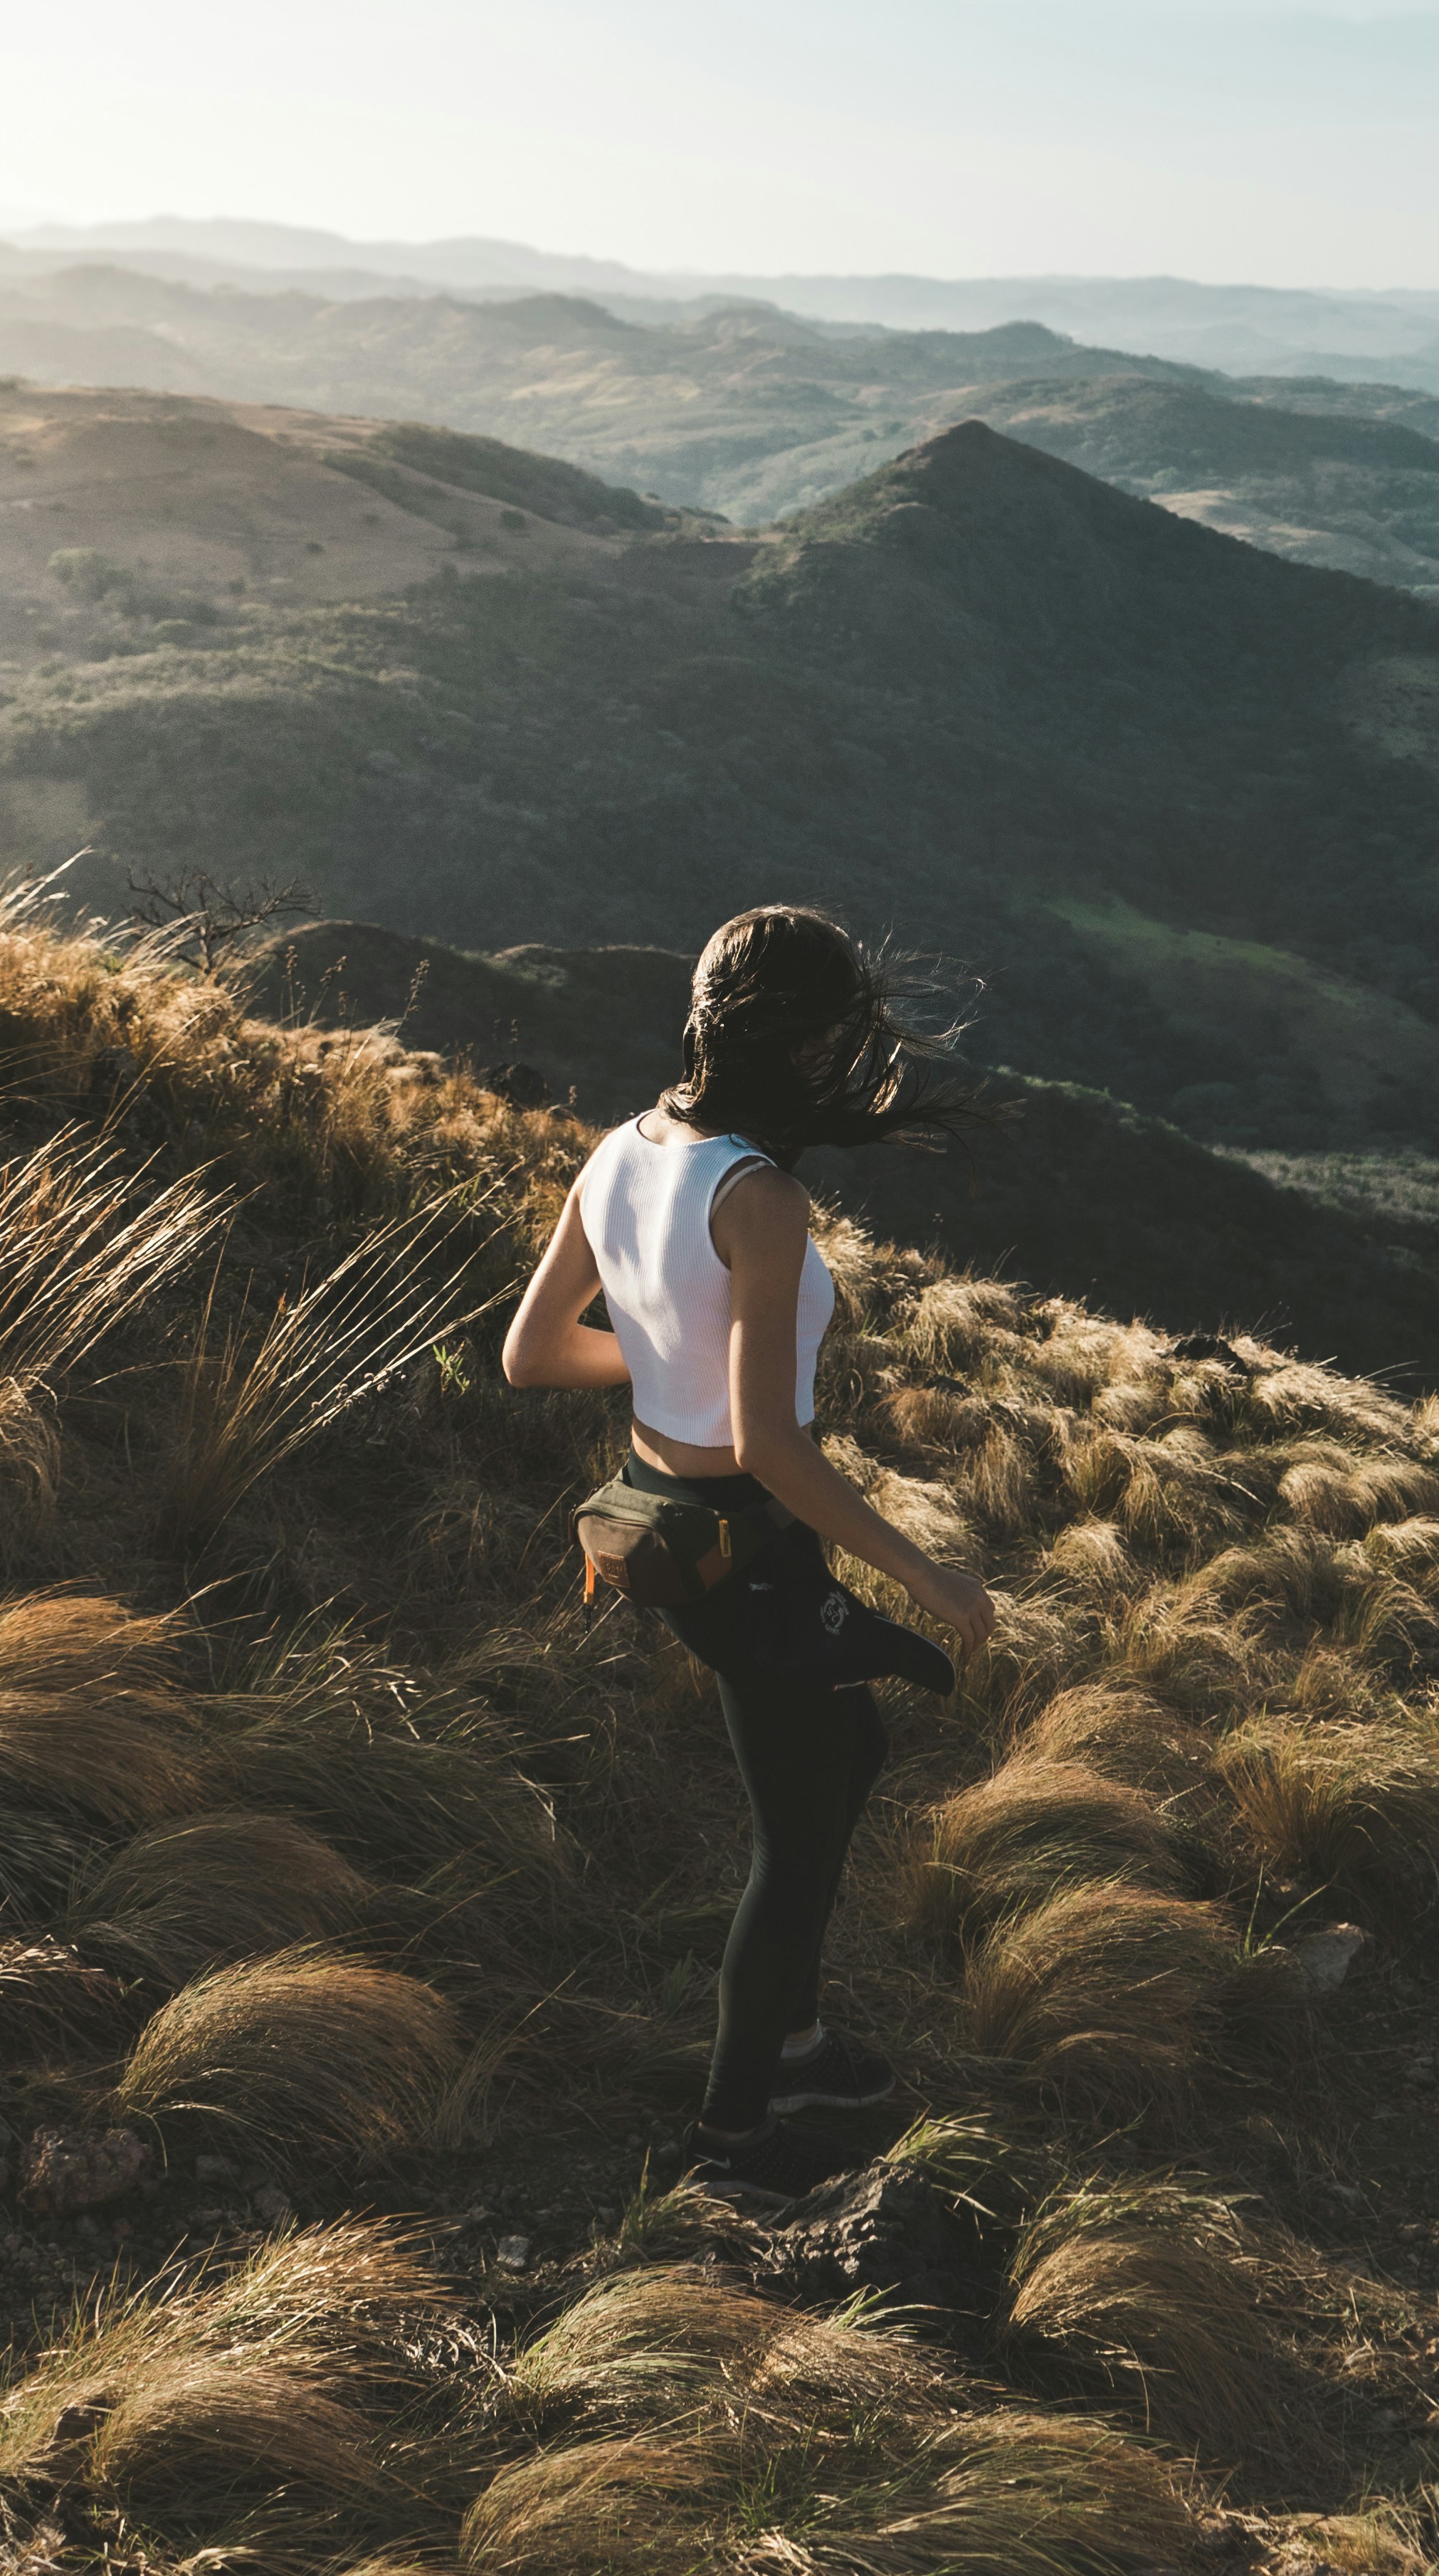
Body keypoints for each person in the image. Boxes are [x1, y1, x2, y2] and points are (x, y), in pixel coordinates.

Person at [500, 903, 996, 2197]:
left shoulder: (620, 1149)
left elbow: (532, 1353)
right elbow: (776, 1449)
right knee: (798, 1839)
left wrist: (674, 1364)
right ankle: (732, 2134)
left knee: (849, 1755)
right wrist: (930, 1580)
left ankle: (796, 2036)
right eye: (841, 1036)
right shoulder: (760, 1197)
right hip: (749, 1542)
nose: (850, 1060)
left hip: (668, 1517)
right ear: (800, 1040)